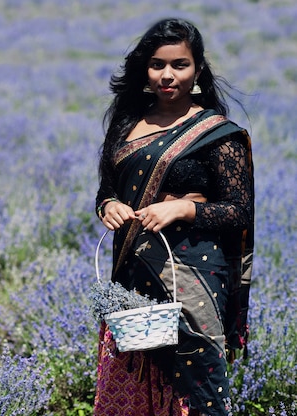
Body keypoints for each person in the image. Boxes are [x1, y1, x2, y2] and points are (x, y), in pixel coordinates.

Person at [93, 18, 254, 416]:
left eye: (179, 65)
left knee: (197, 391)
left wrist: (183, 207)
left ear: (197, 70)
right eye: (157, 65)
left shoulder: (217, 133)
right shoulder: (126, 124)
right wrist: (109, 206)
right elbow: (107, 190)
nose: (167, 75)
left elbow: (239, 211)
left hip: (191, 277)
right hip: (132, 275)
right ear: (144, 70)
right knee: (132, 382)